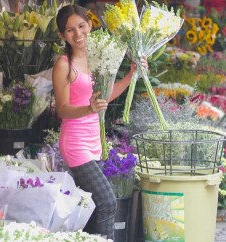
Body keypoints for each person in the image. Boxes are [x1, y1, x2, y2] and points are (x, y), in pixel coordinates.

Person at [52, 4, 148, 240]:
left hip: (94, 140)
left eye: (82, 26)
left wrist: (130, 75)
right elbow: (63, 110)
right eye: (70, 30)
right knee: (107, 201)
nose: (78, 34)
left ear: (90, 24)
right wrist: (89, 108)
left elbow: (104, 96)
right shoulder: (64, 63)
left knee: (90, 207)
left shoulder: (96, 57)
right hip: (75, 144)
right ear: (62, 36)